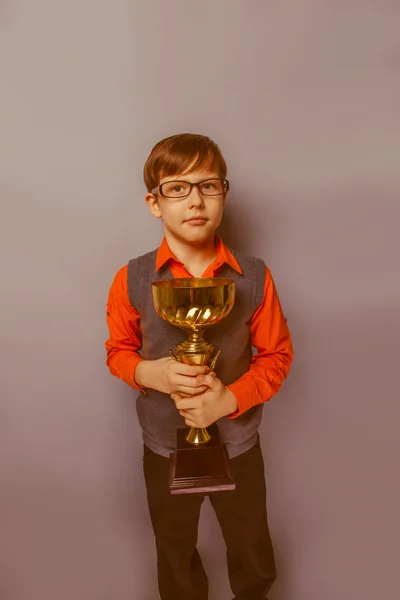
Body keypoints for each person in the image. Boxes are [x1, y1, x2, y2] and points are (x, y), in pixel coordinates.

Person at [105, 133, 293, 600]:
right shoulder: (131, 279)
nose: (195, 200)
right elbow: (118, 351)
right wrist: (153, 374)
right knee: (175, 554)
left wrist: (229, 399)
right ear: (154, 202)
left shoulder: (255, 275)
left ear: (223, 195)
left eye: (209, 186)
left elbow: (277, 356)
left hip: (238, 444)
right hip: (165, 448)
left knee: (251, 550)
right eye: (178, 187)